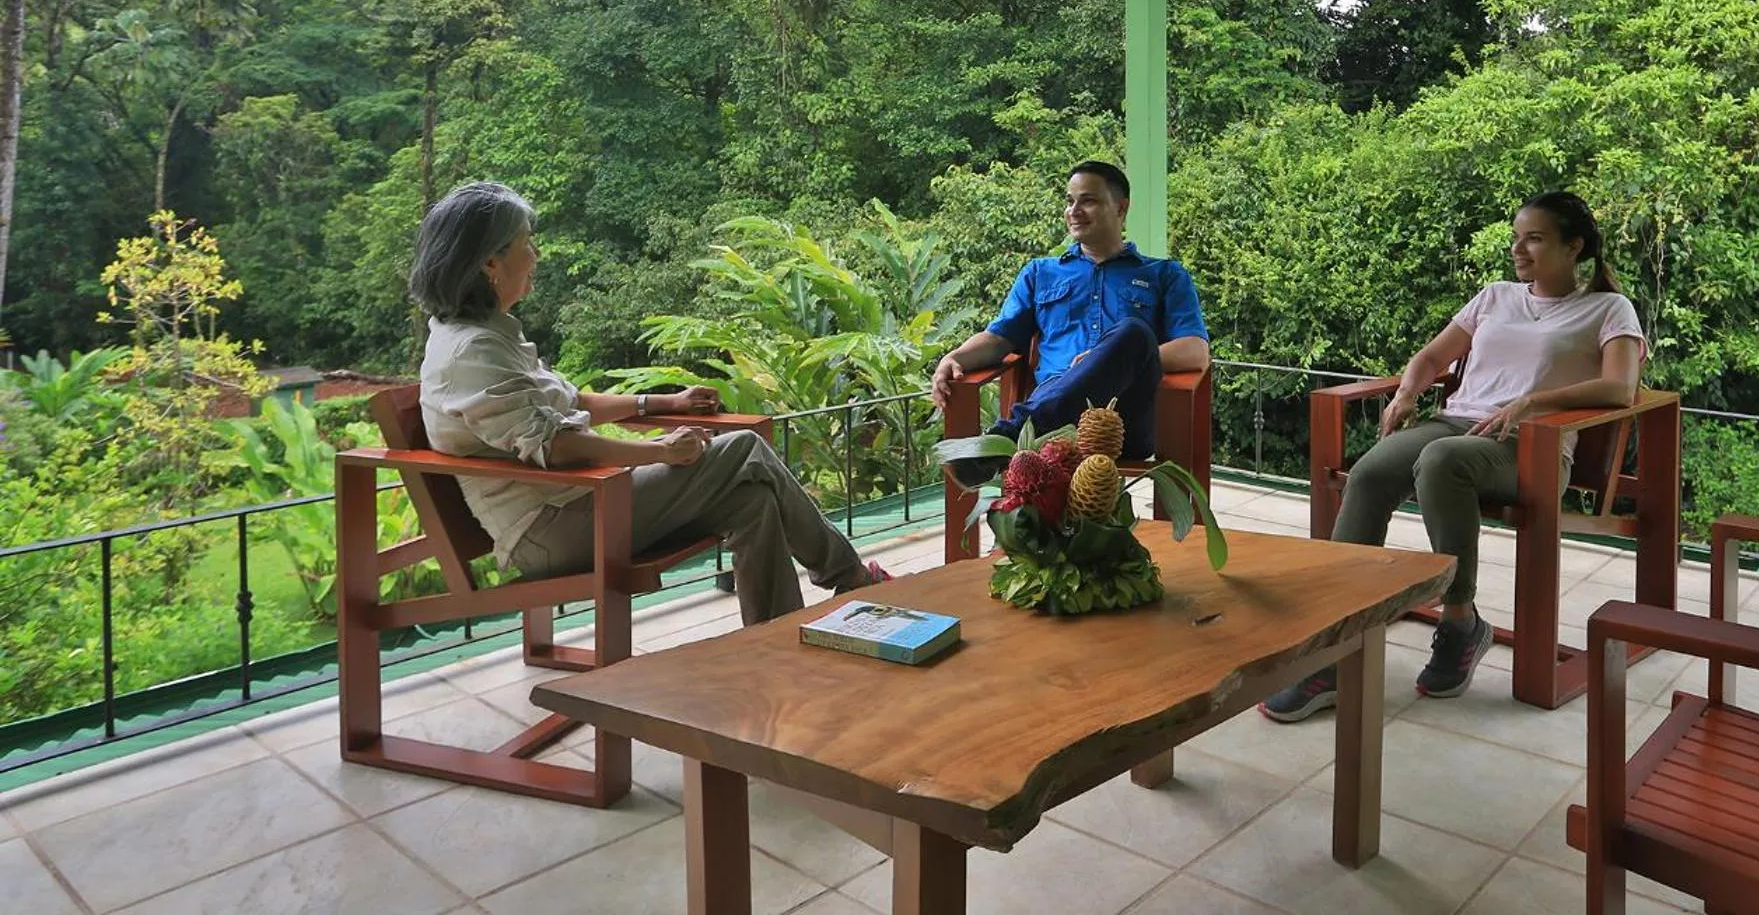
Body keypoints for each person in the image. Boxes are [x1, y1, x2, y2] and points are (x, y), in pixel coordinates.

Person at [412, 181, 889, 627]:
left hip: (584, 501)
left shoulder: (489, 335)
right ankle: (850, 579)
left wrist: (666, 402)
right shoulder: (470, 353)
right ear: (489, 264)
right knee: (742, 447)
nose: (535, 255)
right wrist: (661, 452)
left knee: (752, 500)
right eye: (525, 243)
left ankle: (772, 642)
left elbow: (572, 402)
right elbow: (554, 445)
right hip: (552, 529)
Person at [1261, 191, 1646, 721]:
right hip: (1454, 424)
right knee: (1371, 472)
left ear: (1573, 246)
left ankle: (1460, 622)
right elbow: (1433, 356)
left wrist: (1532, 400)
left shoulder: (1607, 308)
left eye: (1534, 238)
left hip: (1529, 447)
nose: (1519, 249)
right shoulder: (1495, 297)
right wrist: (1406, 393)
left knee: (1443, 460)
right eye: (1516, 237)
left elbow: (1620, 389)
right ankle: (1334, 647)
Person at [932, 161, 1210, 482]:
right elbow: (999, 339)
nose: (1074, 210)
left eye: (1088, 200)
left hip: (1120, 422)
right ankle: (1018, 435)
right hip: (1053, 416)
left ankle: (1005, 440)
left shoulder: (1164, 275)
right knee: (1127, 338)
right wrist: (953, 358)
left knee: (1134, 333)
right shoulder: (1040, 273)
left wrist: (1115, 357)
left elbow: (1195, 351)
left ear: (1121, 208)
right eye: (1069, 201)